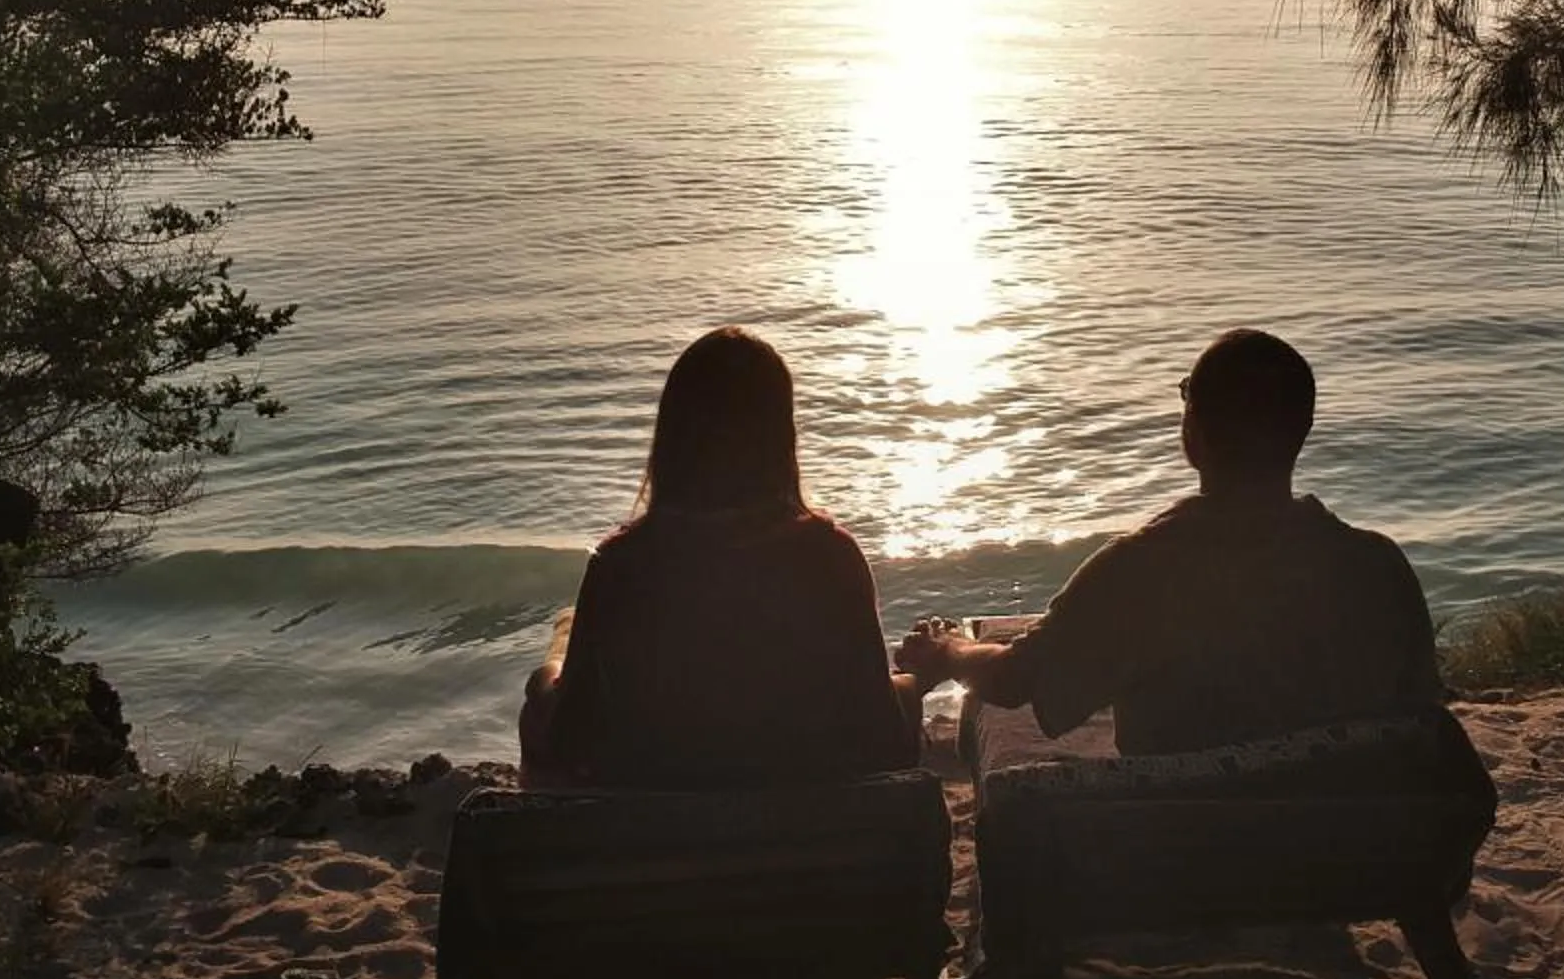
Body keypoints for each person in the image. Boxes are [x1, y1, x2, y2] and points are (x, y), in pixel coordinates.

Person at [896, 328, 1443, 754]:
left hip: (1187, 857)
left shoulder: (1140, 571)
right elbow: (1419, 713)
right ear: (1303, 430)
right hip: (1345, 852)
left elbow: (1016, 680)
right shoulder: (1376, 567)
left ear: (1193, 435)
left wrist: (948, 652)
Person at [520, 326, 919, 788]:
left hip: (654, 832)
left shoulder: (621, 567)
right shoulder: (831, 556)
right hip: (810, 830)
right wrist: (915, 680)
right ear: (780, 436)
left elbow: (571, 735)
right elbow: (882, 731)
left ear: (673, 437)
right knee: (905, 696)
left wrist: (547, 677)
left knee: (540, 692)